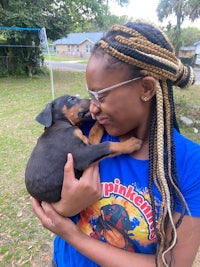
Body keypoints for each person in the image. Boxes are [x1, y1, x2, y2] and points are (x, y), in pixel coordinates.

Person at [31, 20, 200, 267]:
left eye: (100, 96)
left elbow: (174, 264)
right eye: (89, 96)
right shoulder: (85, 129)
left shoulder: (189, 163)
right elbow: (40, 183)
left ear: (146, 88)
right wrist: (67, 206)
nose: (92, 107)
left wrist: (72, 235)